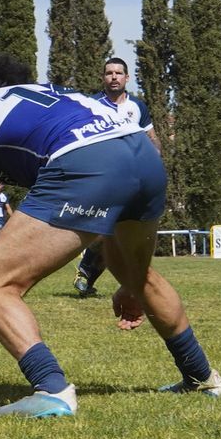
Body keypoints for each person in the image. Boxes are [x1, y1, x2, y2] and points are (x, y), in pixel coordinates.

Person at [0, 52, 221, 418]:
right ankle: (202, 376)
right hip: (143, 157)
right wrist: (130, 279)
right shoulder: (49, 92)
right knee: (134, 273)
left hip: (86, 161)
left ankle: (52, 389)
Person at [73, 57, 149, 298]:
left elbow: (151, 138)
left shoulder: (138, 107)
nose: (114, 77)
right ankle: (86, 271)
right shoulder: (91, 105)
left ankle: (87, 276)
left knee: (121, 233)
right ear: (103, 78)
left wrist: (153, 159)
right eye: (109, 73)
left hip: (132, 177)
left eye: (118, 73)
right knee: (105, 230)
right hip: (101, 176)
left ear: (127, 78)